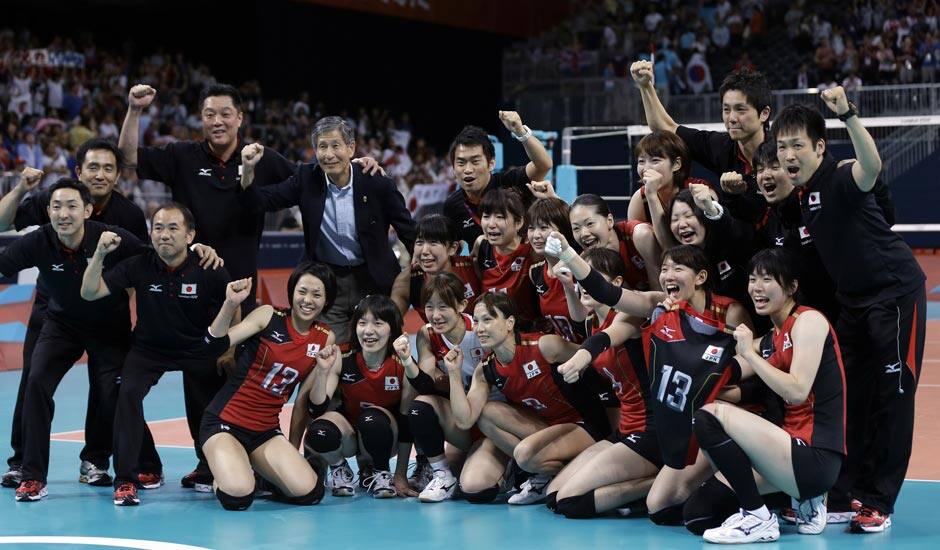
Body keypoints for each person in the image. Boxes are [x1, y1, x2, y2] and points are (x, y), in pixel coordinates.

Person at [775, 91, 926, 533]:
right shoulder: (802, 196)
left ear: (820, 147)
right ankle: (842, 493)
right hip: (853, 304)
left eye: (797, 145)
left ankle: (878, 501)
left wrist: (847, 113)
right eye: (782, 146)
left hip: (894, 294)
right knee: (849, 400)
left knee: (894, 397)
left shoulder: (840, 177)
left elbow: (872, 167)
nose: (788, 154)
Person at [543, 236, 752, 523]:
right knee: (555, 498)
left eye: (677, 268)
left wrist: (719, 394)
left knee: (654, 507)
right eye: (664, 269)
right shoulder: (658, 304)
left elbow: (748, 371)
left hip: (711, 421)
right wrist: (568, 254)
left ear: (701, 277)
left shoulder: (729, 312)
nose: (667, 275)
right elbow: (609, 293)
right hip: (669, 423)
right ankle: (658, 478)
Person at [0, 140, 150, 488]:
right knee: (35, 380)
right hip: (57, 314)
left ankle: (96, 461)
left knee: (108, 388)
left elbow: (149, 267)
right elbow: (4, 227)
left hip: (107, 320)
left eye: (108, 168)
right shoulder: (48, 209)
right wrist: (22, 185)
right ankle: (27, 467)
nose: (100, 174)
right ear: (78, 172)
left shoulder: (125, 220)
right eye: (92, 167)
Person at [685, 248, 846, 543]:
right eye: (752, 279)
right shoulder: (770, 338)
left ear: (792, 286)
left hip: (815, 456)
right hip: (786, 453)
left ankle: (758, 516)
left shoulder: (809, 322)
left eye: (767, 279)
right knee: (699, 514)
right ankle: (793, 503)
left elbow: (797, 391)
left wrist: (749, 352)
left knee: (709, 416)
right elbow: (727, 368)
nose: (756, 288)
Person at [80, 203, 230, 506]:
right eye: (158, 227)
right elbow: (89, 291)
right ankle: (126, 479)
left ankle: (206, 466)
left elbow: (233, 303)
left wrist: (230, 350)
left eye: (173, 228)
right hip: (149, 349)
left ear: (190, 235)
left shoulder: (209, 267)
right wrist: (98, 255)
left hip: (197, 346)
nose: (164, 234)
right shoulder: (139, 264)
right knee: (127, 394)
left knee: (206, 403)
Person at [238, 116, 416, 343]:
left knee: (376, 349)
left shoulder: (376, 181)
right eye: (322, 147)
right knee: (330, 351)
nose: (329, 154)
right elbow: (261, 202)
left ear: (351, 148)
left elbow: (408, 230)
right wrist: (248, 171)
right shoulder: (306, 178)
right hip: (329, 283)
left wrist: (426, 268)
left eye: (335, 145)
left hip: (373, 279)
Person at [450, 293, 610, 506]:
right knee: (485, 414)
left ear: (509, 322)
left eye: (488, 319)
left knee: (525, 454)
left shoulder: (544, 346)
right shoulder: (486, 369)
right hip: (546, 428)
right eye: (477, 321)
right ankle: (543, 473)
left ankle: (550, 470)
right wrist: (453, 373)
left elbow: (597, 362)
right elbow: (464, 420)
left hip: (583, 424)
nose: (479, 328)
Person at [199, 262, 336, 511]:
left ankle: (249, 468)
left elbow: (312, 405)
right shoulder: (268, 316)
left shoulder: (324, 337)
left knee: (310, 493)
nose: (308, 300)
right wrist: (230, 304)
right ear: (292, 292)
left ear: (326, 301)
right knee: (238, 496)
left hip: (264, 432)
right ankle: (224, 476)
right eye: (302, 291)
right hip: (224, 423)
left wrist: (324, 373)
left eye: (317, 295)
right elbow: (213, 345)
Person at [548, 248, 661, 519]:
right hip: (625, 428)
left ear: (616, 284)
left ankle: (664, 480)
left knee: (571, 503)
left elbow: (605, 339)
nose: (583, 285)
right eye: (580, 278)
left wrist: (579, 359)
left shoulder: (629, 317)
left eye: (592, 278)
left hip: (652, 430)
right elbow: (579, 318)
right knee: (553, 497)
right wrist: (567, 284)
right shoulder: (590, 321)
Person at [303, 295, 417, 499]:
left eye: (378, 323)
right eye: (362, 323)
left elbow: (408, 424)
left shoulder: (402, 362)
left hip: (386, 437)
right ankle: (339, 468)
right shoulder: (342, 356)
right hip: (351, 436)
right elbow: (316, 409)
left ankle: (382, 472)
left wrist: (400, 475)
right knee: (318, 430)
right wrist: (322, 372)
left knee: (371, 419)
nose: (368, 331)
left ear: (392, 328)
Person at [631, 62, 771, 222]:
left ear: (764, 114)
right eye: (726, 110)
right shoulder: (719, 146)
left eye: (741, 109)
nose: (731, 118)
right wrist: (645, 85)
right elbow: (665, 127)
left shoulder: (781, 151)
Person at [403, 272, 490, 503]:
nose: (435, 315)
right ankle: (442, 475)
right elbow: (425, 383)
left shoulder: (481, 330)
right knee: (420, 406)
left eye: (443, 307)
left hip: (492, 420)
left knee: (477, 487)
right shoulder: (427, 334)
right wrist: (405, 359)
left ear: (462, 305)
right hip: (461, 419)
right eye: (429, 307)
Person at [442, 113, 553, 247]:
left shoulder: (510, 181)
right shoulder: (452, 206)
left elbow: (544, 165)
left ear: (491, 163)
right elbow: (451, 248)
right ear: (453, 168)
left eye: (475, 161)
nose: (468, 169)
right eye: (461, 163)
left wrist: (520, 131)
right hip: (488, 268)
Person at [389, 214, 479, 322]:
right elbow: (390, 325)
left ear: (452, 248)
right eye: (419, 242)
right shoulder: (407, 280)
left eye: (433, 242)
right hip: (438, 338)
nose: (425, 251)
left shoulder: (473, 268)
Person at [568, 194, 661, 291]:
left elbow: (659, 291)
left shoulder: (640, 235)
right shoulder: (585, 262)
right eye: (576, 228)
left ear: (609, 221)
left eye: (590, 223)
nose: (583, 234)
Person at [471, 188, 538, 321]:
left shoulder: (532, 250)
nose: (491, 224)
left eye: (500, 217)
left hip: (530, 330)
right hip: (492, 330)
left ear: (518, 222)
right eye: (486, 216)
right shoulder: (481, 247)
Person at [526, 197, 583, 341]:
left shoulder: (582, 266)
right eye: (531, 228)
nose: (536, 235)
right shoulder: (535, 272)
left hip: (593, 351)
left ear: (563, 230)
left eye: (543, 228)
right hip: (564, 354)